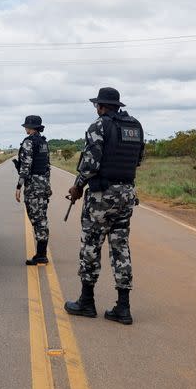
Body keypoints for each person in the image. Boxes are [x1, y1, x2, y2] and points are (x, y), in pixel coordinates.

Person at [64, 87, 145, 325]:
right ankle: (123, 307)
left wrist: (78, 186)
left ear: (101, 106)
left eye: (96, 106)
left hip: (102, 196)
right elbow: (137, 160)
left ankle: (87, 302)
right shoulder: (135, 127)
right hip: (126, 194)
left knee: (91, 245)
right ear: (117, 106)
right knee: (121, 248)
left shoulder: (99, 126)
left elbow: (89, 164)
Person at [14, 115, 52, 265]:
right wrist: (48, 185)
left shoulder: (29, 143)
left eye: (26, 126)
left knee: (37, 218)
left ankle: (41, 255)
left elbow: (25, 167)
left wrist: (19, 186)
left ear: (30, 127)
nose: (25, 128)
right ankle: (41, 253)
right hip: (43, 183)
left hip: (34, 185)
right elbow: (47, 166)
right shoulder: (43, 143)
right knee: (41, 216)